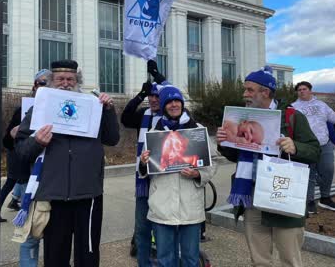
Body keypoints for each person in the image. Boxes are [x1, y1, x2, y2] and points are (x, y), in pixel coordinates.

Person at [15, 60, 120, 267]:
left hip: (88, 194)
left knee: (88, 256)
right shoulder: (39, 108)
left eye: (70, 79)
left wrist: (108, 110)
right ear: (52, 82)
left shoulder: (92, 105)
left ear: (77, 82)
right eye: (60, 79)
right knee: (55, 256)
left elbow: (112, 138)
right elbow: (21, 150)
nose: (65, 83)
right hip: (54, 195)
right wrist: (37, 142)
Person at [216, 65, 320, 267]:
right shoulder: (240, 117)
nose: (244, 94)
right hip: (252, 198)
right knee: (259, 261)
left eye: (249, 89)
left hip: (283, 196)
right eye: (245, 89)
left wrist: (295, 147)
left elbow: (315, 150)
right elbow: (237, 156)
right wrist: (224, 144)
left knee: (290, 260)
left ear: (265, 92)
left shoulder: (291, 116)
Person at [138, 84, 217, 267]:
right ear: (164, 105)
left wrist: (198, 174)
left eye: (177, 101)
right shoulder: (154, 133)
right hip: (162, 205)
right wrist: (144, 162)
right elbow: (144, 169)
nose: (174, 105)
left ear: (182, 103)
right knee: (166, 259)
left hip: (190, 206)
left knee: (190, 258)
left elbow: (213, 161)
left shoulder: (197, 130)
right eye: (169, 102)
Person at [3, 69, 52, 266]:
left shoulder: (57, 109)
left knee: (53, 233)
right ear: (34, 87)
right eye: (40, 83)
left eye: (47, 84)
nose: (43, 87)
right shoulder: (22, 111)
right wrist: (13, 135)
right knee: (30, 234)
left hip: (53, 181)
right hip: (28, 179)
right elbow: (7, 143)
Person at [120, 59, 166, 266]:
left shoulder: (172, 115)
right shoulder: (143, 114)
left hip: (165, 178)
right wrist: (140, 95)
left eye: (157, 96)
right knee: (142, 226)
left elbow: (175, 93)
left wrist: (158, 76)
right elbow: (125, 117)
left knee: (163, 225)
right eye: (151, 96)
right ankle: (143, 262)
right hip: (144, 177)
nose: (154, 100)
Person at [292, 81, 335, 214]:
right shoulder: (293, 107)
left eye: (304, 89)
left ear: (310, 90)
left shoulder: (321, 105)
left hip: (324, 144)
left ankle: (325, 198)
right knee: (309, 174)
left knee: (328, 169)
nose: (301, 91)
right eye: (299, 90)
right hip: (306, 146)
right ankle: (309, 202)